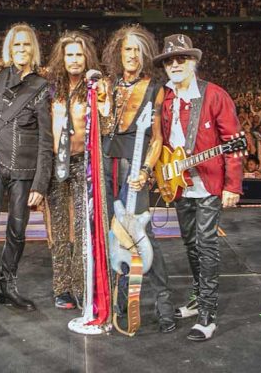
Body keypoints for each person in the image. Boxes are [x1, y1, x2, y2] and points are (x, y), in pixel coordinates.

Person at [154, 34, 242, 341]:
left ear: (194, 62)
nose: (175, 64)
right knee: (190, 244)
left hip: (208, 183)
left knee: (206, 244)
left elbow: (233, 142)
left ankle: (208, 313)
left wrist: (233, 185)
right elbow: (157, 140)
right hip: (177, 182)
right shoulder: (162, 97)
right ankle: (196, 297)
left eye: (181, 59)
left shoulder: (214, 95)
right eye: (169, 60)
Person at [0, 23, 53, 332]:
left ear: (33, 49)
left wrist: (41, 183)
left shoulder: (43, 86)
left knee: (17, 232)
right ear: (10, 48)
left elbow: (47, 140)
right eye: (16, 45)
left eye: (26, 45)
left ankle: (8, 287)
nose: (21, 50)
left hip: (24, 168)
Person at [102, 25, 176, 334]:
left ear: (144, 53)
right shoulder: (108, 85)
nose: (132, 55)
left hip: (134, 167)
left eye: (137, 49)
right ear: (118, 52)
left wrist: (145, 172)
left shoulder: (154, 87)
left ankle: (163, 303)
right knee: (114, 236)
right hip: (107, 164)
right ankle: (118, 306)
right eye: (127, 49)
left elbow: (157, 139)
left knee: (143, 236)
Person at [45, 31, 106, 309]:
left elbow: (106, 121)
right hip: (56, 162)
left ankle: (83, 286)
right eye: (69, 54)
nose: (74, 60)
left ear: (87, 57)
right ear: (62, 57)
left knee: (83, 228)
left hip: (84, 161)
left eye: (79, 54)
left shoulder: (96, 86)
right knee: (59, 230)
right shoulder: (50, 87)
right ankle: (62, 288)